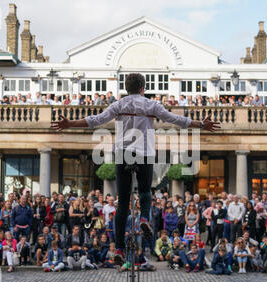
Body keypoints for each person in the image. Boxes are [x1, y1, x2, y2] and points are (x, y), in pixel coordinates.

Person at [51, 73, 220, 264]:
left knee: (122, 202)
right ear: (143, 88)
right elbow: (175, 119)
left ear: (126, 88)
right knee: (146, 190)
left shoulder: (118, 104)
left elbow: (95, 120)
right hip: (143, 153)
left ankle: (120, 249)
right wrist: (201, 125)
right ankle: (145, 218)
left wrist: (69, 124)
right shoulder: (151, 105)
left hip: (123, 153)